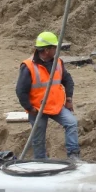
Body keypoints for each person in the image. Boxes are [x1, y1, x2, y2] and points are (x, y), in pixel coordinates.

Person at [17, 32, 80, 161]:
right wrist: (30, 109)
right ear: (46, 50)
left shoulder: (58, 62)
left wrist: (68, 99)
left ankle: (73, 155)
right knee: (38, 137)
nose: (56, 50)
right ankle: (40, 161)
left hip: (55, 105)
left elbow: (68, 80)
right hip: (37, 108)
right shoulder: (28, 66)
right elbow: (20, 91)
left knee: (71, 123)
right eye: (54, 47)